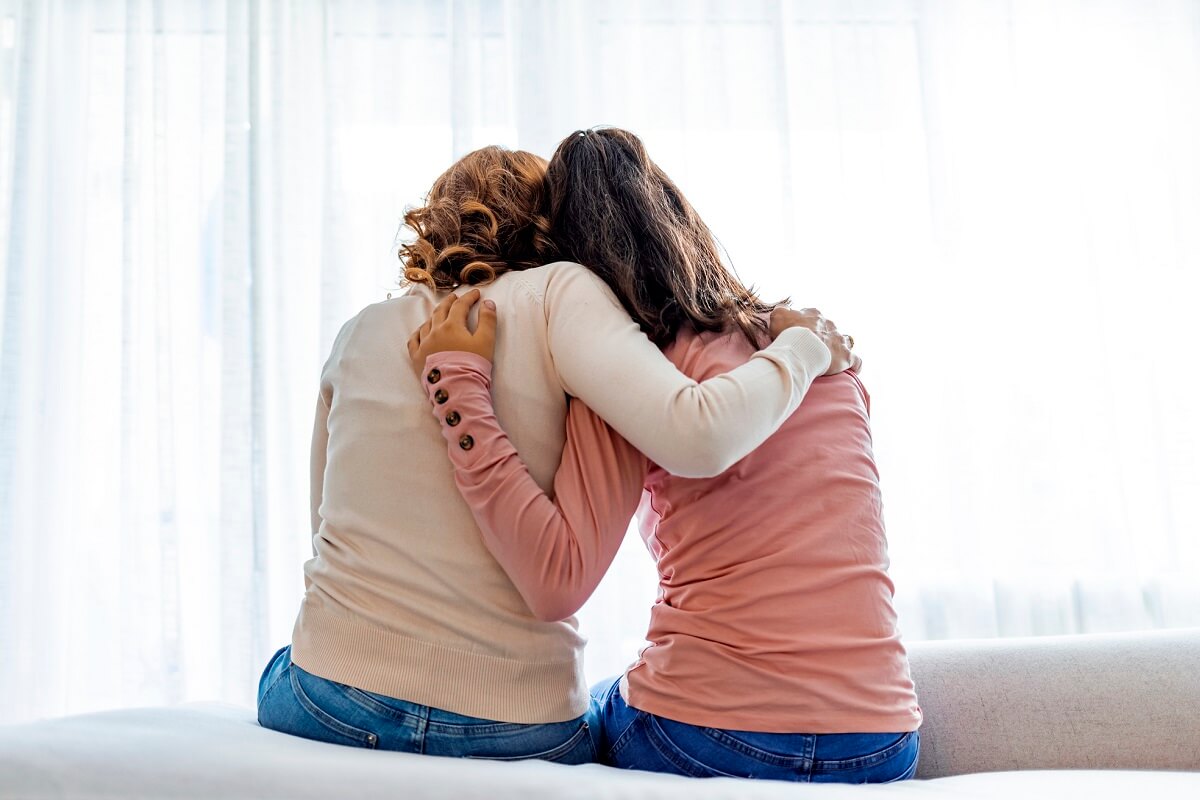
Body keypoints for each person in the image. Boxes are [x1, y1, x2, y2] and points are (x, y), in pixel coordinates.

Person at [256, 144, 853, 763]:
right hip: (519, 722)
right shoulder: (565, 295)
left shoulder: (359, 330)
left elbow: (325, 528)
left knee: (286, 661)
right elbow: (690, 432)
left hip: (333, 696)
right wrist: (802, 348)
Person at [408, 128, 921, 781]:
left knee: (579, 714)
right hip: (881, 738)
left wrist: (462, 395)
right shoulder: (822, 353)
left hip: (708, 731)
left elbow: (554, 580)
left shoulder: (630, 374)